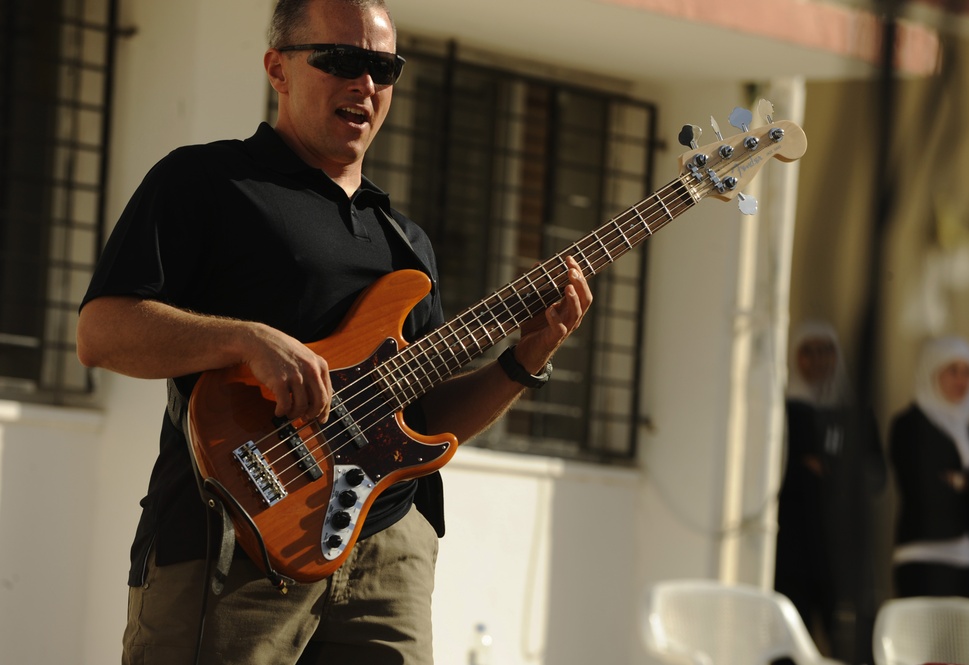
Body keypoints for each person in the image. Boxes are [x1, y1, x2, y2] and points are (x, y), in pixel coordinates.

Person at [75, 1, 593, 663]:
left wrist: (523, 360)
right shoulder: (206, 181)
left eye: (384, 67)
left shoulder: (407, 243)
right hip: (237, 537)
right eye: (343, 60)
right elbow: (103, 331)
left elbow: (425, 420)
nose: (366, 84)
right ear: (278, 69)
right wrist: (248, 340)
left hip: (388, 558)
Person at [774, 321, 885, 664]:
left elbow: (876, 476)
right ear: (795, 357)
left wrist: (828, 472)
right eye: (809, 352)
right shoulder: (782, 410)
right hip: (794, 552)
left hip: (842, 553)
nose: (819, 360)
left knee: (848, 648)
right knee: (790, 646)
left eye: (827, 351)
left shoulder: (855, 415)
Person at [889, 335, 969, 600]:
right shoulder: (910, 425)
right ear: (932, 372)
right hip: (926, 561)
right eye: (953, 371)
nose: (962, 381)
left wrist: (963, 483)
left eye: (967, 372)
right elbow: (925, 492)